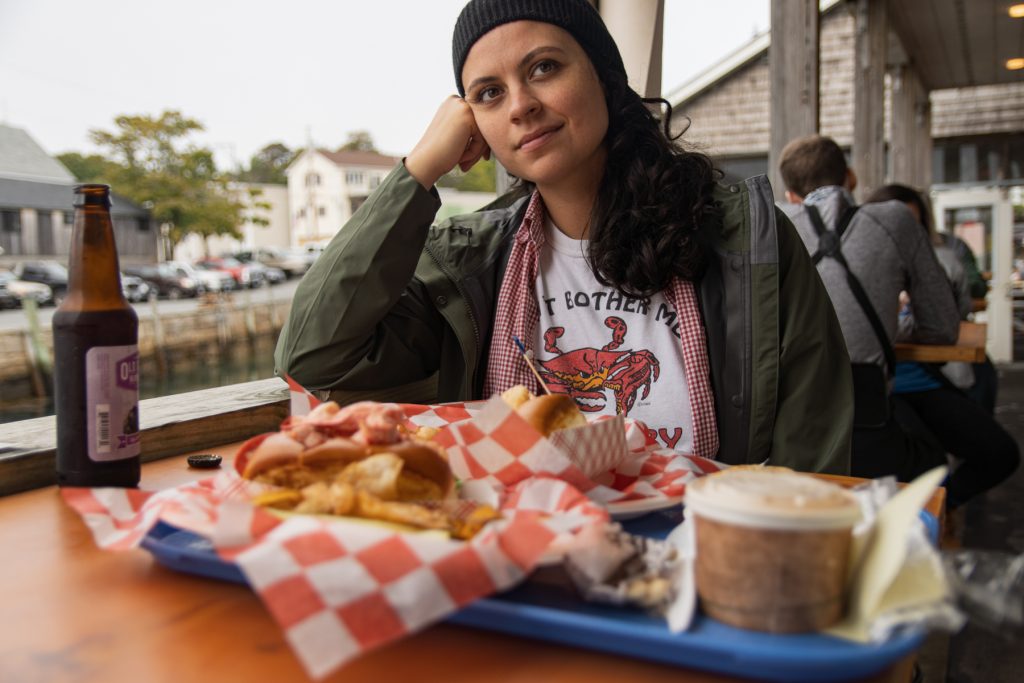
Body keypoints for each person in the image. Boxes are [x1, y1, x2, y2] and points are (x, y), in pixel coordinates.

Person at [275, 0, 853, 474]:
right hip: (526, 563)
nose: (522, 105)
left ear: (604, 76)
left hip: (703, 567)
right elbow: (312, 357)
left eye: (544, 67)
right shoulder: (470, 265)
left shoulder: (748, 240)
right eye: (489, 94)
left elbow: (816, 452)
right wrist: (418, 170)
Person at [778, 135, 961, 484]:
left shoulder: (772, 223)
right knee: (936, 462)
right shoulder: (894, 220)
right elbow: (943, 328)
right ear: (851, 178)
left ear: (791, 196)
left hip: (787, 439)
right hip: (868, 429)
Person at [864, 184, 1018, 508]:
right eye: (896, 225)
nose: (904, 234)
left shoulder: (943, 261)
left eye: (912, 226)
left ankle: (939, 505)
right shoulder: (862, 263)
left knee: (1000, 452)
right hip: (880, 389)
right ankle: (922, 509)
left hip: (926, 379)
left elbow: (947, 322)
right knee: (925, 462)